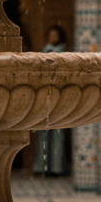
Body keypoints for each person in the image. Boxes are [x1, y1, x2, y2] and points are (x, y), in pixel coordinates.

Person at [33, 24, 68, 175]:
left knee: (58, 132)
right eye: (51, 35)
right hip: (45, 96)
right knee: (43, 132)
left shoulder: (64, 53)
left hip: (58, 96)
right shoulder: (44, 51)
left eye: (55, 35)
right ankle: (42, 166)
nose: (53, 37)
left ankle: (56, 168)